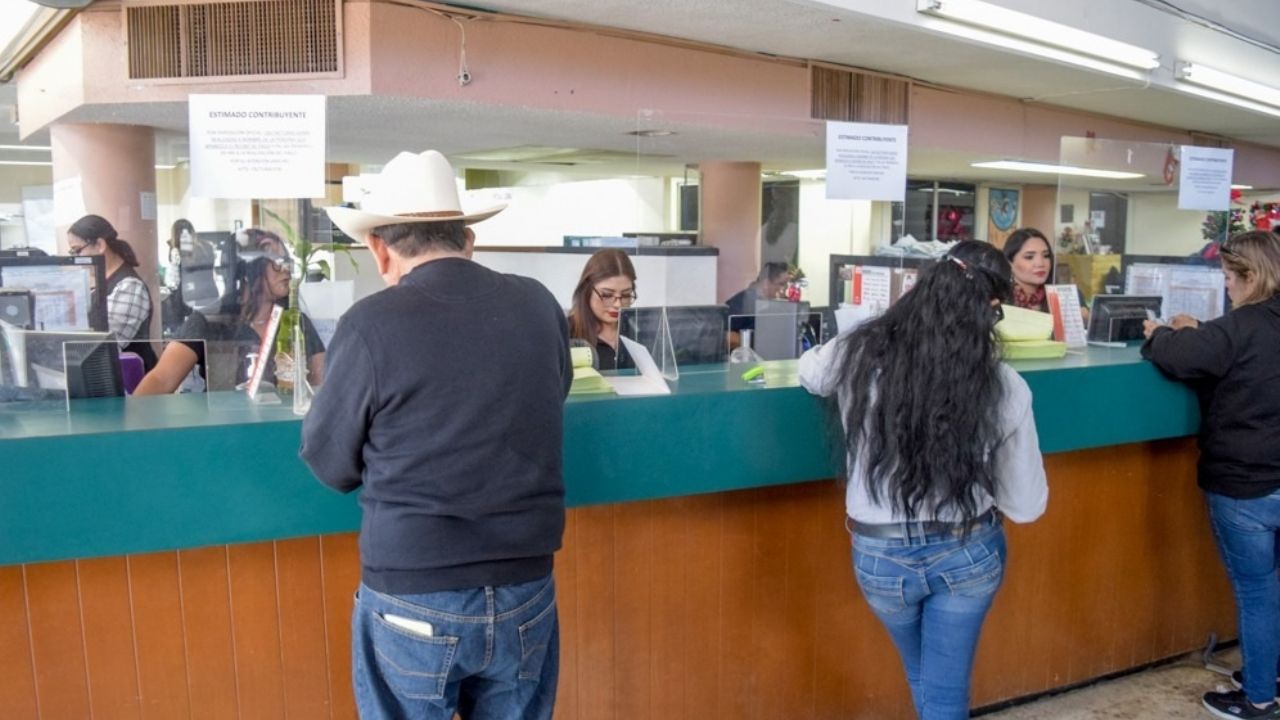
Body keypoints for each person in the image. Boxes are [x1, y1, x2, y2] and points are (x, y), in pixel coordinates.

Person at [300, 149, 572, 720]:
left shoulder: (371, 324)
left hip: (413, 590)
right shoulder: (538, 305)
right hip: (527, 582)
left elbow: (329, 465)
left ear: (381, 247)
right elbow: (554, 393)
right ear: (467, 238)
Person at [798, 240, 1048, 720]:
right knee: (944, 688)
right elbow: (1025, 504)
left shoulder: (858, 353)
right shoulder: (1005, 385)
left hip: (880, 557)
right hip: (967, 551)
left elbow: (812, 373)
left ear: (921, 287)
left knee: (927, 680)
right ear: (991, 309)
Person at [1141, 230, 1280, 720]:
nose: (1227, 287)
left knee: (1257, 592)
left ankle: (1259, 697)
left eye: (1228, 277)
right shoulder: (1244, 329)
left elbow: (1179, 357)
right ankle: (1270, 670)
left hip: (1245, 486)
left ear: (1249, 276)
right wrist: (1199, 330)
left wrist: (1160, 334)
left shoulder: (1238, 328)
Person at [133, 229, 324, 394]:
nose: (285, 270)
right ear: (247, 267)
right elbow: (161, 379)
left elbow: (322, 381)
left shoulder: (295, 322)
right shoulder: (210, 321)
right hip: (226, 430)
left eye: (286, 261)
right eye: (275, 261)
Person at [67, 214, 158, 371]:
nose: (77, 259)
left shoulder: (130, 287)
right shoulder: (102, 283)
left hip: (132, 383)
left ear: (100, 245)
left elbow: (108, 343)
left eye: (77, 251)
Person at [567, 248, 637, 369]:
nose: (618, 305)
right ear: (586, 291)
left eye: (626, 295)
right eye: (607, 295)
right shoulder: (565, 332)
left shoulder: (639, 332)